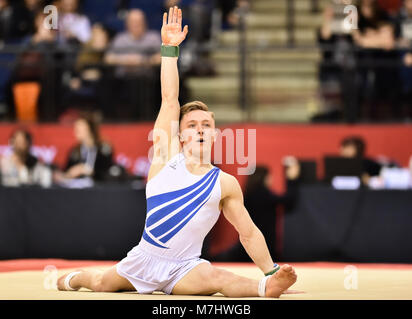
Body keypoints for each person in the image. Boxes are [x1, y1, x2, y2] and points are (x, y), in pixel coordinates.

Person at [57, 7, 298, 298]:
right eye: (192, 125)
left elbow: (248, 233)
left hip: (185, 269)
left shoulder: (225, 184)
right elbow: (170, 99)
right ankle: (72, 278)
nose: (199, 129)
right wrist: (169, 49)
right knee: (99, 283)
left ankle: (266, 287)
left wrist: (270, 270)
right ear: (180, 135)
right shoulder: (166, 156)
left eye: (206, 125)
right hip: (143, 260)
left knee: (219, 277)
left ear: (214, 134)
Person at [214, 162, 300, 262]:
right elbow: (288, 201)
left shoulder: (247, 194)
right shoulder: (263, 194)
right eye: (270, 177)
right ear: (264, 178)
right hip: (263, 243)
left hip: (249, 244)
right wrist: (292, 179)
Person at [104, 8, 162, 120]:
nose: (136, 25)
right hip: (123, 78)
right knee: (106, 84)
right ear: (127, 24)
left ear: (144, 22)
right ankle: (113, 119)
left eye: (139, 22)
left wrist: (142, 61)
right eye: (133, 22)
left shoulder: (153, 37)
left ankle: (148, 119)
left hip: (147, 79)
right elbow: (108, 58)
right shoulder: (120, 39)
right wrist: (125, 60)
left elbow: (162, 56)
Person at [59, 114, 114, 182]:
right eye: (75, 129)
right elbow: (66, 171)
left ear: (90, 129)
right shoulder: (75, 151)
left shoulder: (103, 149)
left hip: (99, 188)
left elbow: (107, 172)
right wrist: (67, 174)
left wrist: (86, 170)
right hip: (77, 188)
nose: (76, 132)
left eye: (79, 129)